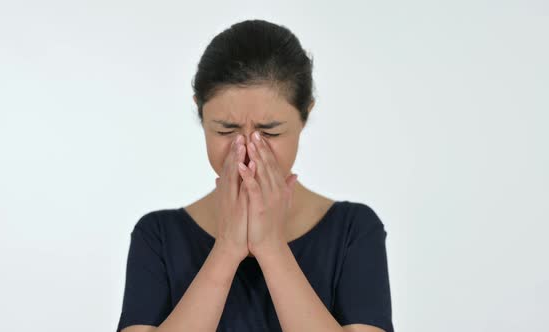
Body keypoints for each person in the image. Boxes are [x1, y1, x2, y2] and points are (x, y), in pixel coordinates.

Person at [116, 19, 394, 332]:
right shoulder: (157, 235)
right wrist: (227, 248)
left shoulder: (354, 230)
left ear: (305, 115)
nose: (247, 148)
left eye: (269, 131)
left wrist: (272, 247)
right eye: (226, 129)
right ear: (201, 114)